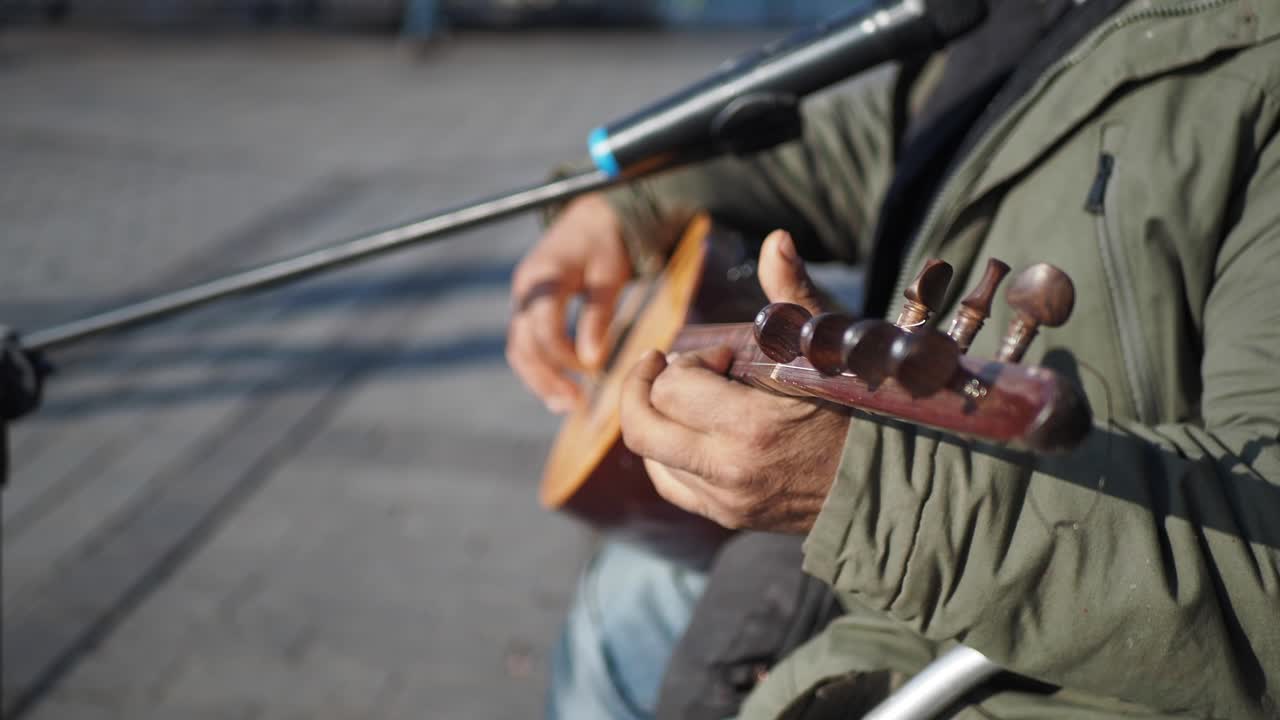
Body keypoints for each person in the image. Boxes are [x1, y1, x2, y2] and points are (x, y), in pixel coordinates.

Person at [507, 1, 1280, 718]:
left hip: (1039, 667)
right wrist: (622, 207)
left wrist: (870, 487)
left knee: (631, 613)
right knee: (629, 590)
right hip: (904, 583)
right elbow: (885, 144)